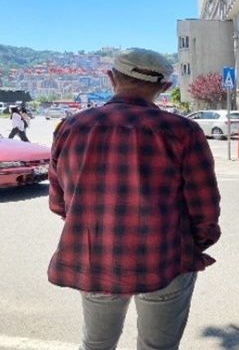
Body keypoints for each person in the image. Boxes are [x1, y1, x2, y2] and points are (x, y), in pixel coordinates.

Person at [47, 48, 222, 350]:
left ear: (111, 77)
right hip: (165, 260)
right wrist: (194, 245)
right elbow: (204, 208)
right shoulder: (182, 131)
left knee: (96, 345)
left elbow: (58, 203)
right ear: (165, 87)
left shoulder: (70, 127)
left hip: (96, 259)